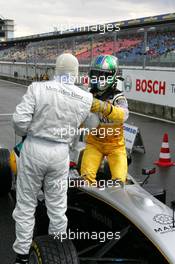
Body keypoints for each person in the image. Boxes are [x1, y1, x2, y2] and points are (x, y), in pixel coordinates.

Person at [12, 53, 124, 264]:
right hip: (61, 154)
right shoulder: (84, 97)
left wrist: (34, 130)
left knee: (26, 204)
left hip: (35, 148)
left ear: (57, 68)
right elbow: (91, 126)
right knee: (57, 205)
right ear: (75, 72)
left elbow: (19, 122)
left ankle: (22, 256)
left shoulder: (37, 88)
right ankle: (58, 252)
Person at [81, 54, 129, 184]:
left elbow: (124, 115)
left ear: (112, 75)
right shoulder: (87, 95)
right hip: (94, 143)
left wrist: (104, 107)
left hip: (116, 147)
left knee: (119, 182)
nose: (98, 78)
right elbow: (78, 119)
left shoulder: (117, 97)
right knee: (86, 179)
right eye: (95, 73)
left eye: (103, 74)